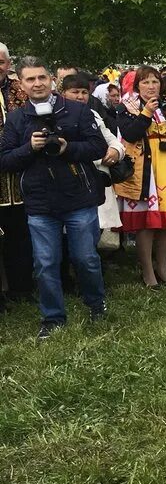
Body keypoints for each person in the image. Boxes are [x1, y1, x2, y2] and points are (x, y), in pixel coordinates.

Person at [0, 57, 107, 338]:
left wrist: (67, 147)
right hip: (39, 202)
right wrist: (29, 148)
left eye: (42, 78)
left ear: (51, 80)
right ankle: (52, 318)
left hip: (77, 197)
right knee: (45, 263)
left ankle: (96, 304)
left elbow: (97, 146)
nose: (37, 83)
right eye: (30, 79)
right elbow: (5, 160)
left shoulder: (76, 110)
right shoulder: (16, 118)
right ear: (21, 84)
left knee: (85, 258)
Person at [115, 65, 166, 288]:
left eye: (155, 82)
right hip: (144, 172)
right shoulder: (126, 106)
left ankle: (162, 268)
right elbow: (130, 133)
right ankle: (147, 272)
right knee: (146, 224)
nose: (151, 86)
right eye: (145, 82)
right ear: (137, 85)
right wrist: (146, 111)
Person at [60, 74, 124, 246]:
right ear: (63, 93)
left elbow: (112, 140)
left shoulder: (93, 114)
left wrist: (115, 151)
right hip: (71, 178)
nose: (80, 96)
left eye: (84, 92)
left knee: (94, 231)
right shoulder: (58, 115)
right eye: (75, 92)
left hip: (96, 179)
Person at [0, 42, 34, 308]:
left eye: (1, 62)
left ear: (9, 64)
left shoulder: (21, 91)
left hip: (23, 177)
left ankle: (22, 289)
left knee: (21, 236)